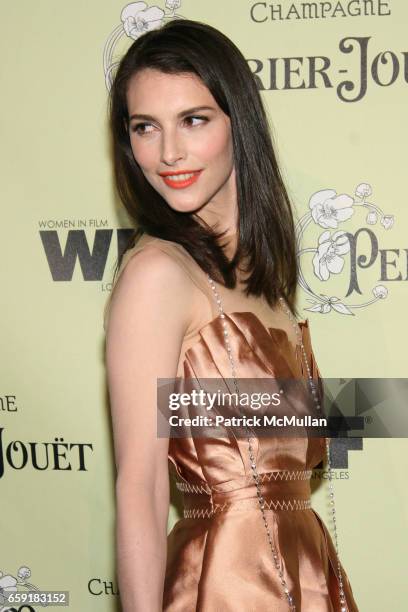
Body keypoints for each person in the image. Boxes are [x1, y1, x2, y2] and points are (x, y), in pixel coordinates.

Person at [103, 18, 359, 612]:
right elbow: (139, 490)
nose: (168, 153)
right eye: (146, 127)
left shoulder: (268, 284)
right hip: (221, 585)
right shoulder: (157, 276)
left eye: (193, 120)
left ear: (236, 124)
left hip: (305, 574)